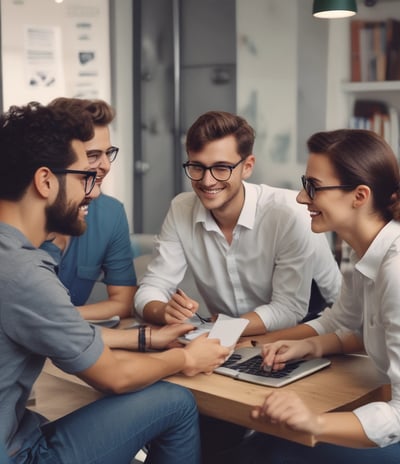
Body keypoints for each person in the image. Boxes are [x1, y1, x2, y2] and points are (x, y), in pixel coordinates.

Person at [0, 102, 230, 463]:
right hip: (18, 454)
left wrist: (146, 338)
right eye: (83, 177)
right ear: (45, 181)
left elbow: (56, 330)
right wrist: (186, 357)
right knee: (177, 403)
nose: (91, 191)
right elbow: (114, 377)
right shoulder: (22, 271)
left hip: (18, 429)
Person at [235, 128, 400, 464]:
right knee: (264, 444)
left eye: (313, 187)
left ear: (359, 195)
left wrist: (316, 423)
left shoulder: (395, 270)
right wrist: (308, 346)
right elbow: (347, 322)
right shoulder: (363, 252)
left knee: (275, 451)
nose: (300, 198)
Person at [134, 111, 341, 336]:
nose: (207, 181)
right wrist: (163, 310)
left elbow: (288, 309)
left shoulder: (290, 212)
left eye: (221, 168)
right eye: (197, 167)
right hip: (235, 339)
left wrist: (219, 330)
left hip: (313, 333)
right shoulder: (181, 209)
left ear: (248, 166)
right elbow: (152, 286)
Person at [40, 97, 136, 321]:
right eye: (93, 155)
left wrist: (60, 320)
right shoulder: (25, 214)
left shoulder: (110, 213)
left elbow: (123, 302)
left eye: (108, 153)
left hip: (69, 343)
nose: (106, 165)